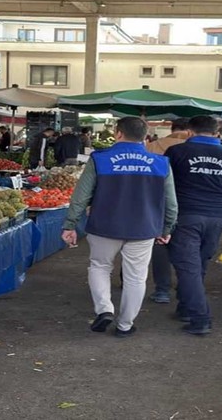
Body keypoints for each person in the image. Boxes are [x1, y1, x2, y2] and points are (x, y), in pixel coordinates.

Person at [61, 117, 178, 338]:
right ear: (146, 136)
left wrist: (70, 224)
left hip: (104, 225)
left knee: (100, 267)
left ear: (118, 133)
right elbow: (171, 202)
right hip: (144, 228)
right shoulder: (161, 163)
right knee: (136, 277)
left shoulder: (100, 159)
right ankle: (125, 324)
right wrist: (167, 228)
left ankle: (104, 309)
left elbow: (81, 196)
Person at [164, 116, 222, 335]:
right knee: (198, 264)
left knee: (188, 266)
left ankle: (201, 318)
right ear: (216, 132)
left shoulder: (176, 152)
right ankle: (185, 306)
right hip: (216, 217)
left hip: (186, 215)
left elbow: (164, 186)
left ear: (190, 132)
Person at [145, 118, 190, 304]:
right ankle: (185, 286)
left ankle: (162, 289)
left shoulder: (153, 146)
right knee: (186, 248)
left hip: (158, 203)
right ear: (189, 130)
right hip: (189, 205)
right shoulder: (192, 147)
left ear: (172, 128)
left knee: (160, 246)